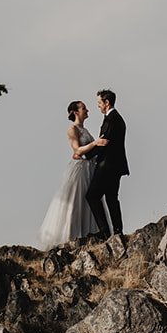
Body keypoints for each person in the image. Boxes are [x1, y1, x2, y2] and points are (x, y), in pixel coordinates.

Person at [38, 100, 102, 248]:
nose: (87, 111)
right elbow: (77, 150)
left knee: (89, 201)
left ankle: (88, 234)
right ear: (75, 112)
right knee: (75, 201)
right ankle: (70, 235)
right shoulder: (72, 130)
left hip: (89, 168)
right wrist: (95, 144)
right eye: (84, 108)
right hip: (79, 170)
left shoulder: (85, 130)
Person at [85, 89, 128, 237]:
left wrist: (85, 155)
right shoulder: (116, 118)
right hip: (116, 166)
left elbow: (103, 143)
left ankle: (104, 231)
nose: (98, 106)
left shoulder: (112, 119)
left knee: (92, 195)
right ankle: (117, 231)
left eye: (99, 103)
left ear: (106, 102)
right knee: (111, 198)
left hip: (107, 166)